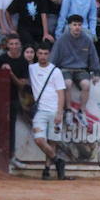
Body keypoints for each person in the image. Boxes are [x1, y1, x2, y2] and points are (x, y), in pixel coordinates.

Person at [28, 40, 68, 179]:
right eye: (40, 53)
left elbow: (61, 93)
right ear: (36, 54)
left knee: (52, 141)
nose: (43, 56)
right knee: (39, 139)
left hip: (54, 109)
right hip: (40, 111)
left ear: (49, 54)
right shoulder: (32, 68)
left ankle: (47, 169)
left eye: (45, 53)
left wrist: (60, 112)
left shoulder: (55, 71)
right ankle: (58, 161)